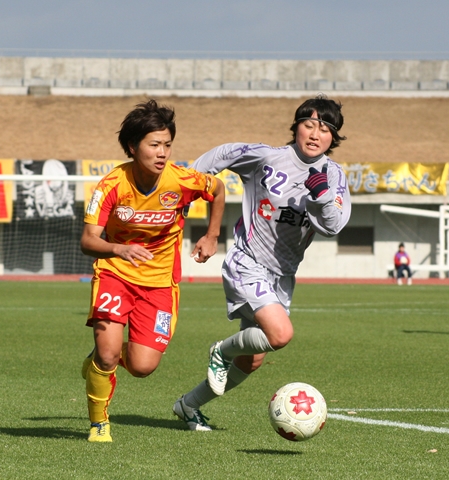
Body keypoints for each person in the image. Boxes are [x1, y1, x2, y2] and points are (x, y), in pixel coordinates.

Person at [171, 94, 351, 431]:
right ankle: (220, 351)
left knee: (252, 359)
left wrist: (321, 196)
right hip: (247, 260)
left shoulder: (334, 176)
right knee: (280, 334)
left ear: (333, 137)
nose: (315, 134)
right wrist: (187, 188)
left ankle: (189, 405)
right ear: (296, 127)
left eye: (325, 129)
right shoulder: (268, 158)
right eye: (309, 124)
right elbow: (223, 154)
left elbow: (333, 226)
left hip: (283, 276)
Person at [80, 99, 225, 442]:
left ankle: (104, 357)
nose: (162, 152)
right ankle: (99, 423)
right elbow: (88, 240)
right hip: (115, 273)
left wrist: (212, 234)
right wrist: (119, 248)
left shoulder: (181, 179)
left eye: (167, 145)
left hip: (160, 282)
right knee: (108, 353)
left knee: (143, 366)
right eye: (154, 145)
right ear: (133, 147)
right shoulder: (112, 185)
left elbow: (217, 189)